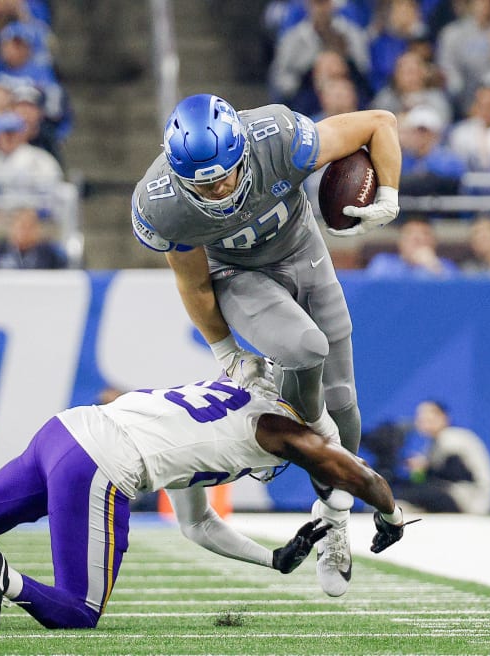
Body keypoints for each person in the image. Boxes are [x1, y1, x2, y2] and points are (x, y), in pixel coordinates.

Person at [0, 377, 418, 631]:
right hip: (102, 464)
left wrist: (272, 559)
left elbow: (199, 525)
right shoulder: (283, 432)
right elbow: (359, 477)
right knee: (80, 611)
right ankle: (4, 578)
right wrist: (388, 518)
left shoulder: (229, 406)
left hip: (65, 432)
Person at [131, 93, 402, 598]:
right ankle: (285, 437)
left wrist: (387, 193)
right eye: (204, 182)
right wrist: (227, 353)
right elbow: (194, 285)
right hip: (237, 275)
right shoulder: (161, 204)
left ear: (241, 152)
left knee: (344, 403)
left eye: (225, 174)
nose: (218, 188)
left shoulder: (276, 136)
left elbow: (379, 123)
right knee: (305, 348)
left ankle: (332, 519)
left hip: (304, 252)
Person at [391, 399, 490, 515]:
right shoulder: (433, 442)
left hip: (472, 497)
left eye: (428, 419)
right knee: (410, 491)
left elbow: (456, 473)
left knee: (418, 492)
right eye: (420, 418)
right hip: (454, 493)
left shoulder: (452, 437)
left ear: (443, 417)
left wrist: (426, 467)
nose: (422, 422)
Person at [0, 205, 68, 270]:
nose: (26, 231)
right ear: (12, 227)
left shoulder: (50, 253)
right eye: (22, 226)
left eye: (31, 226)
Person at [364, 215, 457, 278]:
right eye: (410, 234)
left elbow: (454, 293)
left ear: (434, 242)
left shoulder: (446, 266)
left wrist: (433, 266)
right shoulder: (383, 263)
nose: (418, 239)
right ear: (400, 242)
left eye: (425, 234)